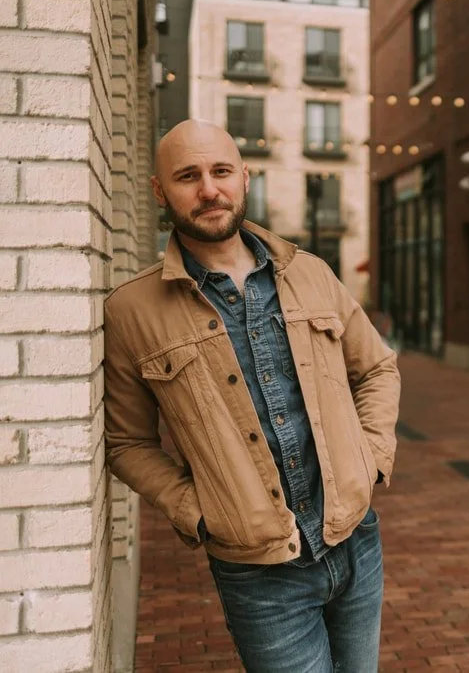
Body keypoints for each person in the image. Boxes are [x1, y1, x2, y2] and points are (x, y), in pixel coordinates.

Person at [103, 119, 400, 672]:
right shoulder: (131, 311)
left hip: (355, 541)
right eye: (188, 176)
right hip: (259, 575)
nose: (209, 189)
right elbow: (126, 443)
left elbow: (378, 368)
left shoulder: (310, 273)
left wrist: (373, 456)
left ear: (245, 176)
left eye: (220, 171)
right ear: (159, 191)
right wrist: (199, 510)